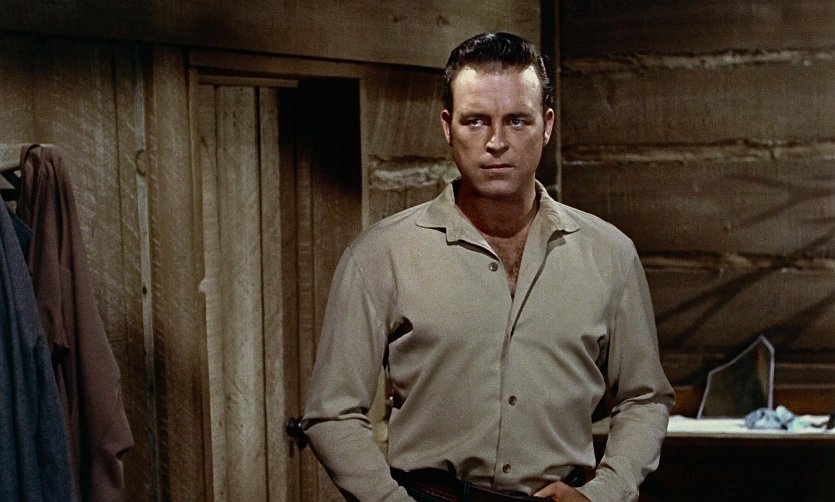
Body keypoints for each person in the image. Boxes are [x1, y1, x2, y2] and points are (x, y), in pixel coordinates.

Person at [302, 32, 675, 502]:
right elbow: (332, 413)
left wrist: (605, 492)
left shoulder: (610, 254)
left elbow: (645, 397)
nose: (496, 143)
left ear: (546, 125)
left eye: (517, 120)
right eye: (476, 121)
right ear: (447, 127)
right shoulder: (380, 255)